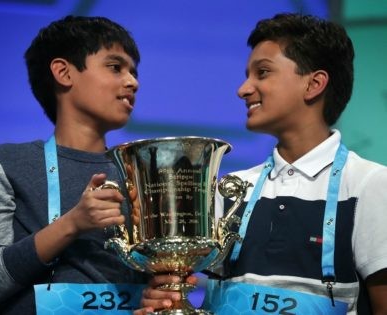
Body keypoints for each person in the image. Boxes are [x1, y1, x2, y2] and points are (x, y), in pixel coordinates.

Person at [136, 13, 387, 315]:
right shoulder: (231, 190)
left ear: (314, 84)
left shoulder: (370, 185)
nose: (243, 89)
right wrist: (169, 301)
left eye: (263, 73)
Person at [0, 15, 148, 314]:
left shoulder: (141, 173)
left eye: (134, 72)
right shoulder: (5, 164)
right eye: (115, 67)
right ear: (64, 73)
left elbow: (147, 284)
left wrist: (153, 295)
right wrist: (71, 224)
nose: (133, 82)